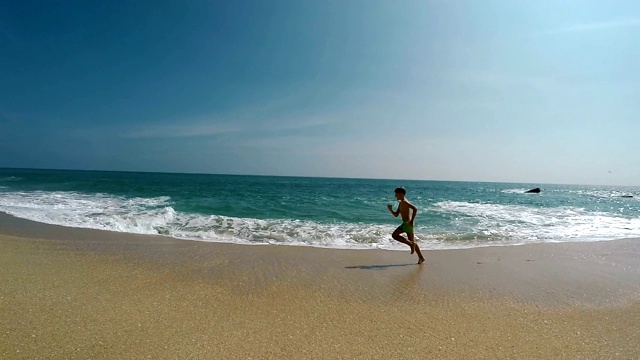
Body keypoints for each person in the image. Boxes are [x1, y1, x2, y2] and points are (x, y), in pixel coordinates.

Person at [387, 187, 425, 264]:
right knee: (412, 241)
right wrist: (390, 210)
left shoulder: (405, 202)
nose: (395, 196)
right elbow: (396, 215)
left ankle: (411, 244)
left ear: (401, 194)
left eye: (396, 194)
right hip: (405, 224)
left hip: (407, 224)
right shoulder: (401, 202)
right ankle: (421, 257)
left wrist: (411, 221)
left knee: (394, 235)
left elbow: (415, 209)